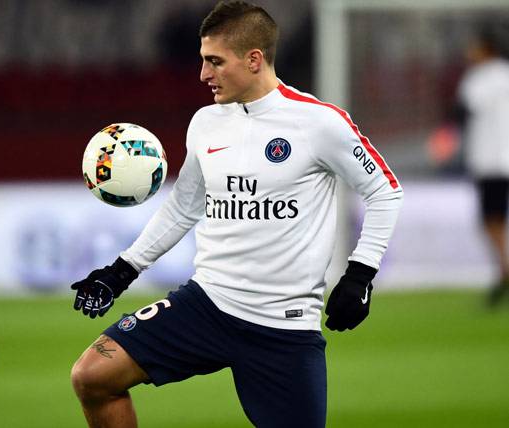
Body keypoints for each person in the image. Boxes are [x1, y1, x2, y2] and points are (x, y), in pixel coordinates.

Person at [69, 2, 403, 427]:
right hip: (207, 304)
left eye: (214, 62)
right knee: (92, 376)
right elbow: (185, 205)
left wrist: (360, 275)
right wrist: (122, 271)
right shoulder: (206, 123)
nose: (203, 75)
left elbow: (385, 191)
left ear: (254, 59)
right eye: (203, 61)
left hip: (282, 328)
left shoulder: (319, 123)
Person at [455, 25, 509, 306]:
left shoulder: (479, 79)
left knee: (491, 221)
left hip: (492, 162)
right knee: (495, 220)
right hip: (503, 158)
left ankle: (504, 270)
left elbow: (464, 110)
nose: (469, 52)